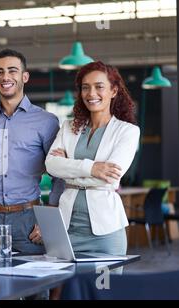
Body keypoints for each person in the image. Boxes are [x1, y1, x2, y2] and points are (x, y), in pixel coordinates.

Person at [0, 49, 64, 253]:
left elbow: (60, 175)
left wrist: (50, 221)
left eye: (12, 71)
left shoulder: (46, 121)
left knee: (35, 283)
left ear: (24, 76)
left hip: (29, 220)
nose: (5, 77)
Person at [45, 61, 140, 255]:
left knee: (103, 285)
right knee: (65, 285)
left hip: (106, 232)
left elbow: (111, 176)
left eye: (99, 87)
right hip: (66, 228)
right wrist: (93, 168)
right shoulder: (68, 128)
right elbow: (51, 165)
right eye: (85, 88)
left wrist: (68, 169)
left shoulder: (127, 131)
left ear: (113, 91)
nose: (91, 93)